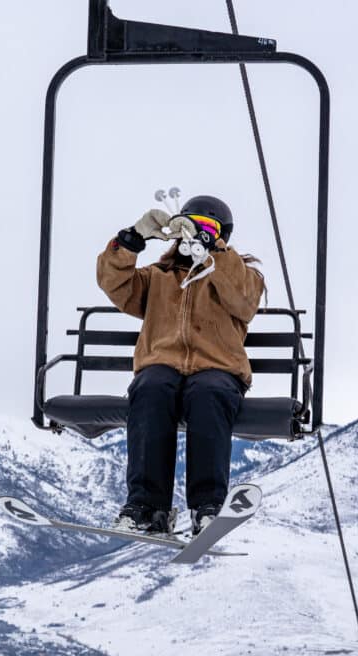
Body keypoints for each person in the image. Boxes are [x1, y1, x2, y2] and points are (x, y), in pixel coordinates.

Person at [96, 195, 265, 536]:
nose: (194, 236)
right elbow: (114, 283)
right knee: (150, 388)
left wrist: (212, 252)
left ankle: (208, 506)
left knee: (208, 393)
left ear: (221, 237)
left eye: (207, 229)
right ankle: (147, 507)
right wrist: (133, 239)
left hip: (217, 368)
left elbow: (244, 302)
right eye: (190, 226)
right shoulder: (159, 277)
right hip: (163, 365)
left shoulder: (237, 275)